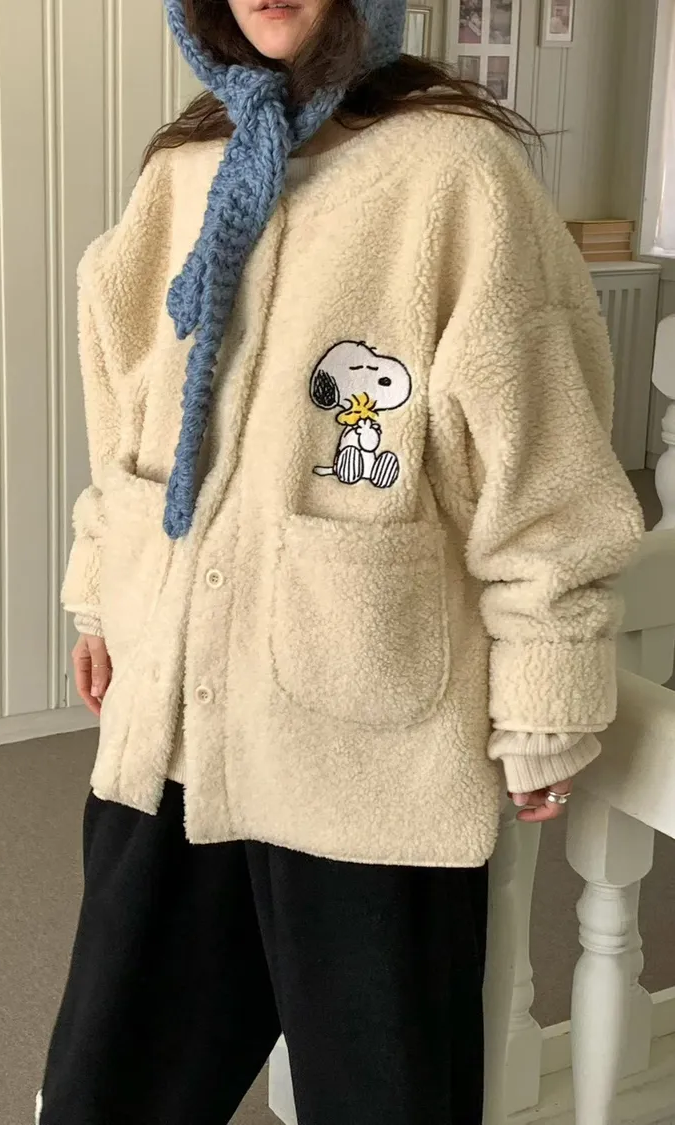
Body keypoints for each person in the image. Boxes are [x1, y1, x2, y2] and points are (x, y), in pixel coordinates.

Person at [36, 1, 644, 1123]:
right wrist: (101, 600)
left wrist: (545, 694)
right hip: (174, 728)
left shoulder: (456, 172)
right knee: (100, 1094)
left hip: (374, 747)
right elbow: (128, 419)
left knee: (385, 1097)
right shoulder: (182, 169)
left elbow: (543, 462)